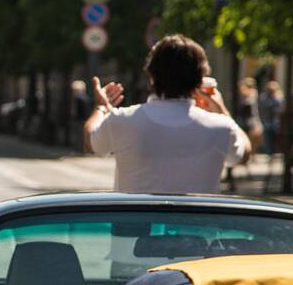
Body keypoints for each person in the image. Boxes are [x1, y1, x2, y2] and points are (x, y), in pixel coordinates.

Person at [84, 34, 251, 194]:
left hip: (135, 223)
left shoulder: (122, 120)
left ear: (151, 75)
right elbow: (244, 155)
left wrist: (101, 107)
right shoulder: (221, 127)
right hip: (195, 224)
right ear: (200, 79)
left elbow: (90, 141)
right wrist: (221, 109)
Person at [258, 80, 284, 155]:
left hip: (276, 121)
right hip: (267, 121)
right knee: (268, 138)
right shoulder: (263, 97)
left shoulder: (279, 97)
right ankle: (269, 153)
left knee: (276, 138)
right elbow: (261, 108)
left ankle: (275, 152)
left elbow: (280, 109)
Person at [236, 77, 263, 147]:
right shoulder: (244, 94)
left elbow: (248, 103)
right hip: (245, 119)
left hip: (250, 120)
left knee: (250, 139)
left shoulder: (252, 93)